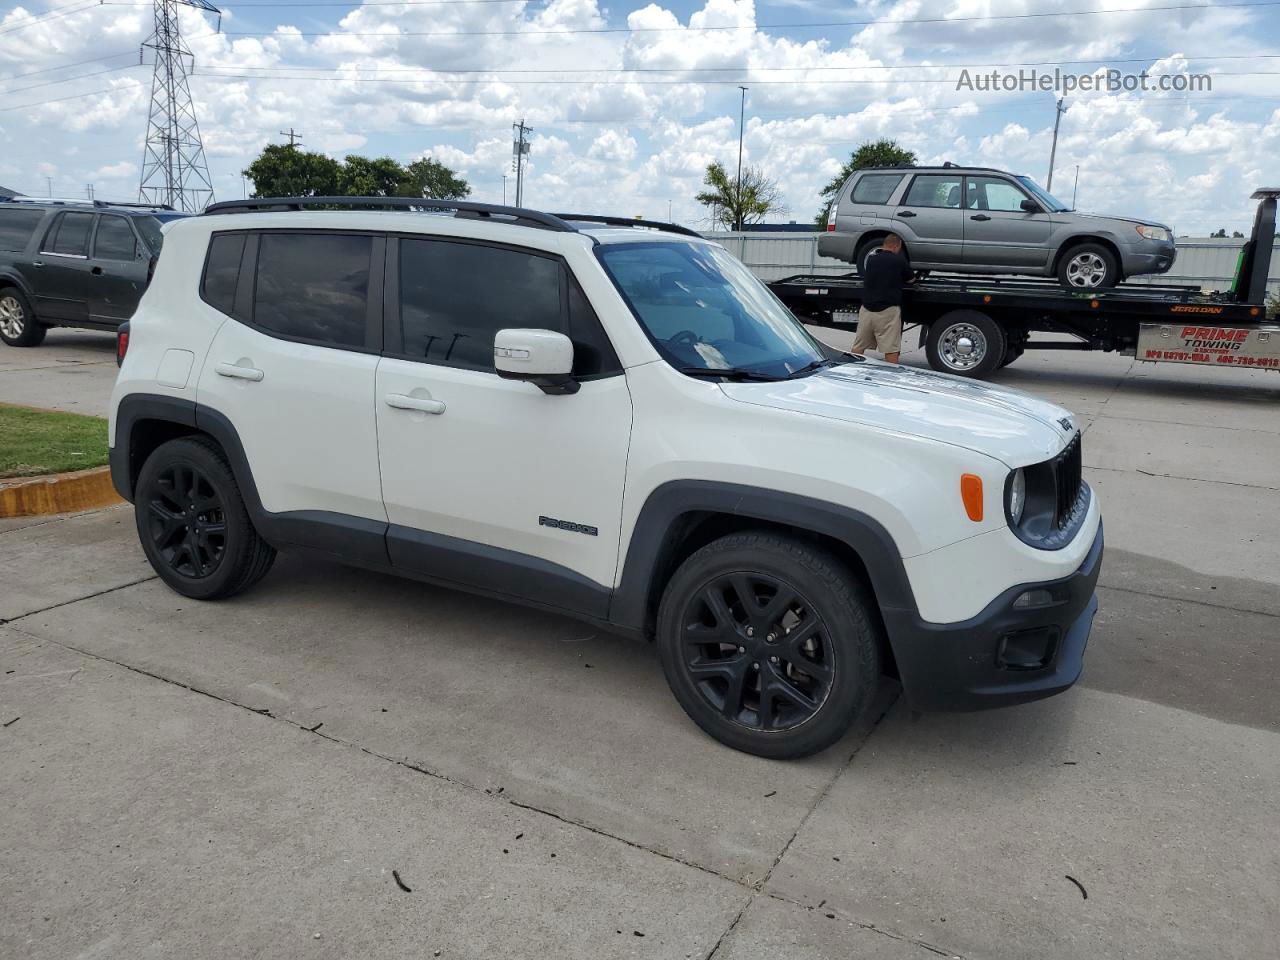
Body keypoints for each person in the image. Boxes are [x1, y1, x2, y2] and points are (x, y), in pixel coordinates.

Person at [851, 234, 913, 363]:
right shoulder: (899, 260)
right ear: (897, 246)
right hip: (887, 311)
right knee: (891, 349)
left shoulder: (871, 259)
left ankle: (852, 370)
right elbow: (911, 279)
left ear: (884, 245)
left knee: (859, 346)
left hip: (867, 310)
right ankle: (890, 375)